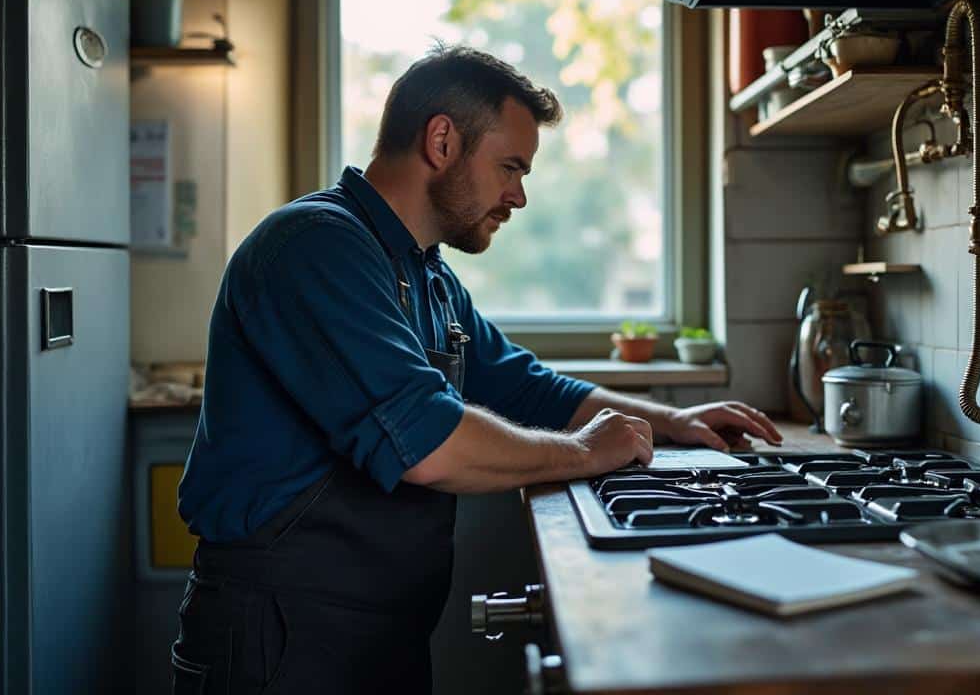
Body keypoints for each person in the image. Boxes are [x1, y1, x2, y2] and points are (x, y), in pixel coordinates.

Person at [169, 44, 783, 694]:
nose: (519, 195)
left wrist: (671, 420)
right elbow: (426, 443)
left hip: (378, 628)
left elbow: (526, 387)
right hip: (280, 636)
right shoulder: (315, 246)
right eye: (510, 167)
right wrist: (584, 452)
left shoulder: (427, 273)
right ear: (442, 141)